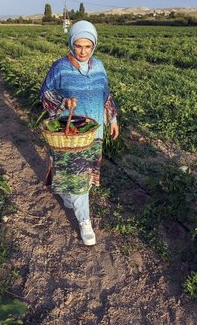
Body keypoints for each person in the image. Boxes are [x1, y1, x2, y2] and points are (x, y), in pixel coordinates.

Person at [40, 20, 119, 246]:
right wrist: (63, 101)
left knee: (83, 173)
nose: (83, 51)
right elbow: (45, 94)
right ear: (70, 44)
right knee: (77, 174)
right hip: (70, 133)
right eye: (78, 46)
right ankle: (85, 221)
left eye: (87, 46)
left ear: (94, 46)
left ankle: (68, 195)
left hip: (94, 131)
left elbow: (105, 94)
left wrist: (112, 118)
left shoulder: (99, 66)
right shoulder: (60, 68)